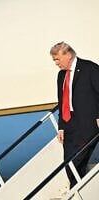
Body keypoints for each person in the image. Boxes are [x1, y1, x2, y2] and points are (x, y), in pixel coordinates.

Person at [50, 42, 99, 189]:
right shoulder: (61, 75)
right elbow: (62, 100)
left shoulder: (89, 68)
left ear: (68, 55)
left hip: (87, 122)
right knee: (69, 164)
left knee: (78, 160)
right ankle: (77, 190)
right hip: (69, 124)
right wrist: (61, 127)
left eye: (57, 59)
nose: (56, 63)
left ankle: (77, 190)